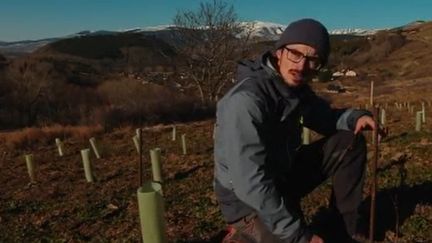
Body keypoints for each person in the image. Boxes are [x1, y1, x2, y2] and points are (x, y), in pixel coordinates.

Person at [213, 18, 377, 243]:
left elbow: (325, 117)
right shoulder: (247, 101)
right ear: (279, 52)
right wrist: (300, 236)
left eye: (312, 60)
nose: (301, 66)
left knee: (349, 141)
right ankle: (240, 235)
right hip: (246, 202)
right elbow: (250, 182)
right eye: (295, 54)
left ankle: (341, 231)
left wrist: (355, 118)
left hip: (282, 175)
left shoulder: (294, 89)